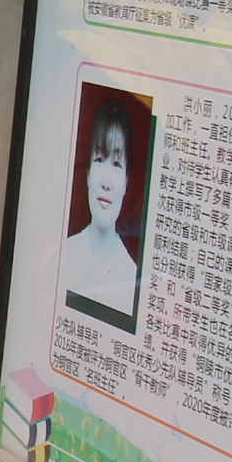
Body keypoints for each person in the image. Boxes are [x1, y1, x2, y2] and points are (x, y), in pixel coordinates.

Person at [57, 97, 142, 327]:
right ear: (87, 173)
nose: (106, 182)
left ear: (126, 182)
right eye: (99, 159)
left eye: (116, 164)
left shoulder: (133, 276)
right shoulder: (61, 256)